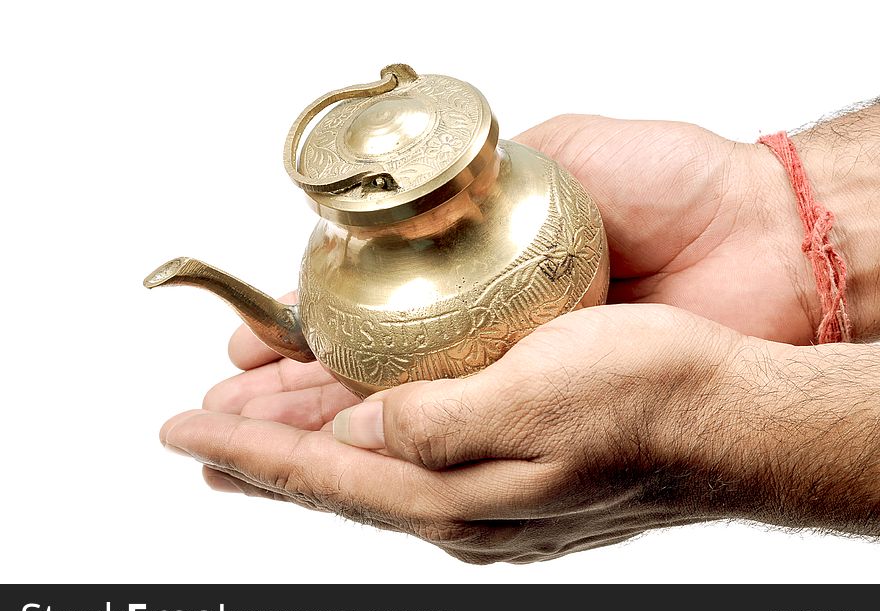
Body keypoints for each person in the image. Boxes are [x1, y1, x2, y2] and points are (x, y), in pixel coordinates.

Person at [160, 103, 880, 564]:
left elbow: (712, 415)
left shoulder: (526, 185)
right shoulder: (340, 252)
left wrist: (723, 422)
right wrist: (771, 206)